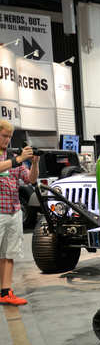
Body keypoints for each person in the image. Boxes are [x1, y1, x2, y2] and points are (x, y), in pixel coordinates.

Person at [0, 120, 39, 305]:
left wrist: (35, 163)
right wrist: (18, 160)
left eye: (9, 136)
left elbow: (30, 179)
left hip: (14, 212)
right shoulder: (12, 159)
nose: (7, 140)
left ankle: (6, 292)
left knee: (9, 254)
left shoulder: (13, 157)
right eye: (4, 136)